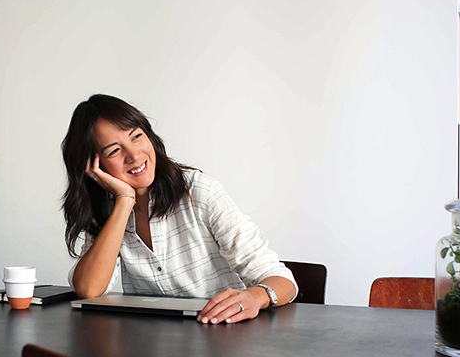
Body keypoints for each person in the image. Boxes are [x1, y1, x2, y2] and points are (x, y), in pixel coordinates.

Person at [61, 94, 297, 325]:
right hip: (148, 344)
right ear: (94, 166)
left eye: (136, 137)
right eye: (114, 151)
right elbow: (89, 289)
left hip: (223, 334)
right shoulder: (108, 211)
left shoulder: (198, 191)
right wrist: (124, 200)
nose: (134, 155)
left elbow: (283, 280)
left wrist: (255, 297)